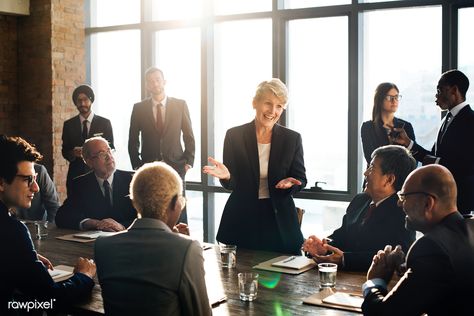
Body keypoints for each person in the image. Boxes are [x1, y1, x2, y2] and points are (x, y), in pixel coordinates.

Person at [203, 78, 306, 255]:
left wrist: (292, 183)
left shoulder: (292, 139)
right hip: (242, 218)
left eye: (279, 106)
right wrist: (227, 176)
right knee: (237, 277)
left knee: (286, 279)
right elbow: (232, 183)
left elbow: (301, 178)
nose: (273, 111)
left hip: (278, 219)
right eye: (268, 103)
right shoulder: (234, 136)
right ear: (254, 103)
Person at [95, 162, 212, 316]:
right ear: (175, 203)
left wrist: (174, 238)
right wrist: (182, 245)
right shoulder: (187, 249)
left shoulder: (102, 246)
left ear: (134, 202)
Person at [0, 135, 96, 315]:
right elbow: (52, 299)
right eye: (28, 179)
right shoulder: (12, 232)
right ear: (1, 182)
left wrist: (23, 257)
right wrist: (84, 276)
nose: (35, 187)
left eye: (35, 178)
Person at [362, 164, 474, 315]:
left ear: (428, 203)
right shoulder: (470, 227)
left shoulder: (431, 248)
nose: (399, 203)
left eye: (404, 197)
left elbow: (383, 314)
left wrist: (374, 281)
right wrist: (405, 268)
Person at [302, 145, 416, 271]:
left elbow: (400, 255)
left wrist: (345, 259)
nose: (365, 173)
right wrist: (324, 247)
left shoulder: (403, 211)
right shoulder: (360, 201)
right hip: (344, 279)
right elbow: (342, 235)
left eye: (371, 168)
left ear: (389, 179)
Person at [393, 69, 474, 214]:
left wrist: (437, 163)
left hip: (461, 202)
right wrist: (408, 143)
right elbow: (432, 156)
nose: (436, 96)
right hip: (442, 199)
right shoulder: (446, 119)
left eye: (439, 90)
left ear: (454, 90)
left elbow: (468, 165)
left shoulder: (471, 120)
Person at [128, 67, 195, 223]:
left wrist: (188, 162)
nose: (155, 83)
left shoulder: (180, 105)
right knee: (150, 206)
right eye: (151, 81)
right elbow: (133, 140)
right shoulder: (139, 108)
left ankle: (182, 240)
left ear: (164, 82)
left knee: (178, 206)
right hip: (148, 165)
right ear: (147, 86)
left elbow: (189, 136)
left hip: (176, 165)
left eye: (158, 79)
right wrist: (137, 165)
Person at [55, 136, 136, 231]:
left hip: (128, 240)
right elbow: (62, 217)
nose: (109, 156)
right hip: (94, 242)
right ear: (89, 162)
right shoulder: (80, 184)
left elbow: (148, 218)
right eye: (102, 154)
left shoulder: (133, 179)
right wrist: (93, 223)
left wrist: (122, 226)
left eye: (109, 150)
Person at [62, 84, 114, 194]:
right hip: (76, 174)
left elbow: (112, 148)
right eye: (79, 100)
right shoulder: (68, 125)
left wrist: (101, 153)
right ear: (75, 103)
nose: (82, 103)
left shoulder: (104, 123)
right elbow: (65, 151)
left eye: (85, 99)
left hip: (99, 173)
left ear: (91, 100)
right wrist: (73, 153)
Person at [361, 82, 415, 165]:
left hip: (402, 177)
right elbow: (370, 158)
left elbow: (413, 159)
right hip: (377, 176)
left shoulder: (406, 126)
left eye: (396, 97)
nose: (394, 101)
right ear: (379, 100)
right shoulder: (368, 127)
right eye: (389, 97)